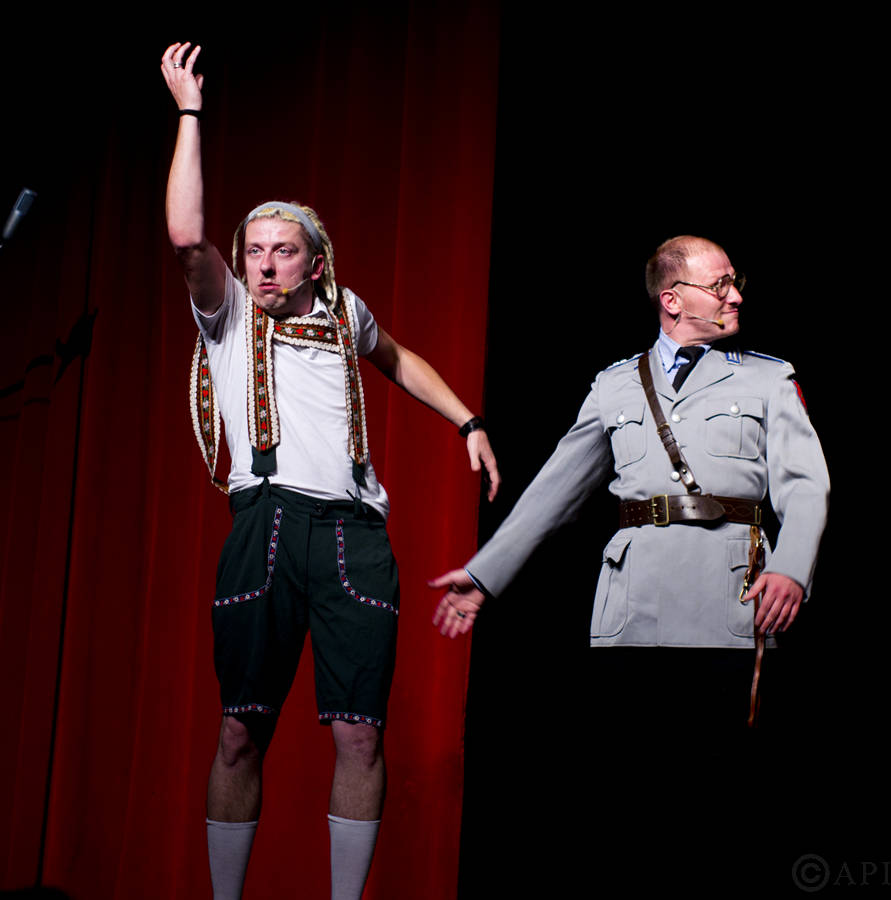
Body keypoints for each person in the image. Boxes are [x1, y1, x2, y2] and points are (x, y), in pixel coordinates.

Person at [161, 42, 499, 900]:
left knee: (360, 737)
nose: (265, 263)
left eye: (282, 251)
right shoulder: (228, 314)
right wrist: (190, 113)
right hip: (267, 523)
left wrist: (467, 420)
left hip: (354, 535)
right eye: (254, 250)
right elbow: (187, 236)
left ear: (313, 261)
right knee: (240, 732)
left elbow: (400, 358)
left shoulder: (345, 311)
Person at [429, 235, 829, 810]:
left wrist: (790, 568)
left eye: (735, 283)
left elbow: (806, 484)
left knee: (725, 783)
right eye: (720, 285)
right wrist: (483, 575)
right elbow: (554, 490)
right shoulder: (615, 384)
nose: (736, 296)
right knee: (630, 784)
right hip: (634, 607)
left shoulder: (768, 380)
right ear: (672, 299)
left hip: (731, 603)